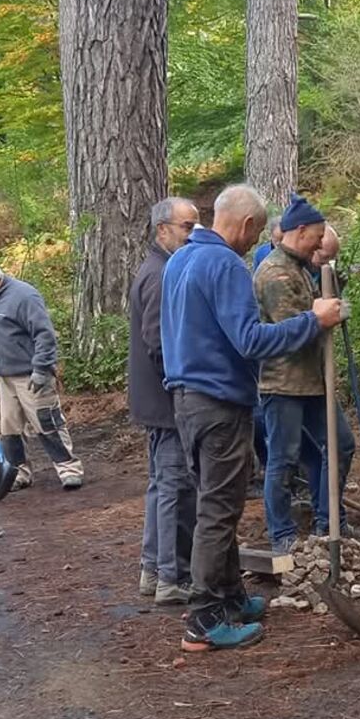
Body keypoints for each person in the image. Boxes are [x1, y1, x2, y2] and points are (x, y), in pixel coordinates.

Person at [161, 184, 346, 653]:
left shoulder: (180, 258)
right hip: (217, 402)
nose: (254, 240)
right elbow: (250, 340)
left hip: (186, 398)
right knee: (218, 511)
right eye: (257, 232)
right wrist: (314, 321)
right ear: (245, 226)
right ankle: (203, 620)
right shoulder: (224, 263)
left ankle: (230, 596)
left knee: (215, 501)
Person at [254, 198, 354, 553]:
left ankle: (329, 523)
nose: (319, 244)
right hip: (283, 385)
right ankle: (282, 536)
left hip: (314, 382)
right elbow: (288, 331)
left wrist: (329, 310)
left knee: (340, 445)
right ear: (300, 232)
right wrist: (320, 316)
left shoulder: (299, 267)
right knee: (283, 459)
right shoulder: (276, 273)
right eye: (316, 236)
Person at [128, 196, 200, 604]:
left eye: (196, 225)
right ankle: (171, 578)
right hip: (167, 403)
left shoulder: (161, 267)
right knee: (173, 487)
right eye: (187, 227)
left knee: (161, 487)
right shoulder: (159, 274)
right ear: (162, 230)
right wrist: (183, 389)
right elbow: (158, 344)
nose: (193, 234)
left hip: (158, 401)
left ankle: (153, 570)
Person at [0, 259, 84, 490]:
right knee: (9, 430)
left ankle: (69, 469)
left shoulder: (24, 296)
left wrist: (41, 369)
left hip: (31, 375)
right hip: (5, 377)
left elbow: (44, 335)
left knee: (47, 423)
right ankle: (18, 473)